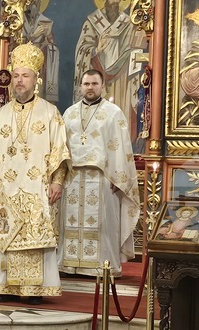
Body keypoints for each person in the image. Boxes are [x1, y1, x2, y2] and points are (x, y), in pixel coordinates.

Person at [0, 43, 71, 304]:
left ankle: (33, 290)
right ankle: (4, 287)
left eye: (25, 75)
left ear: (36, 79)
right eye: (16, 76)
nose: (20, 81)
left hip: (37, 188)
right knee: (6, 233)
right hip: (7, 190)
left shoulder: (50, 113)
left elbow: (60, 150)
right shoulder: (0, 115)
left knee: (34, 235)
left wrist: (57, 181)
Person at [59, 70, 139, 277]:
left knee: (103, 224)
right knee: (70, 221)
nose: (90, 87)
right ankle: (70, 265)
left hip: (102, 178)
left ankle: (103, 266)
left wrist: (120, 177)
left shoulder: (113, 113)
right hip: (73, 177)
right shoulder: (69, 113)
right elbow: (61, 146)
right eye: (86, 84)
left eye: (94, 83)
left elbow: (121, 146)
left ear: (103, 86)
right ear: (81, 86)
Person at [74, 0, 148, 142]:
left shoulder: (128, 23)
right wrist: (95, 49)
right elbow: (82, 48)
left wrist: (134, 53)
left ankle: (119, 142)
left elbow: (135, 47)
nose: (114, 0)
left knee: (120, 112)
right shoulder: (92, 22)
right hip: (96, 74)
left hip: (121, 78)